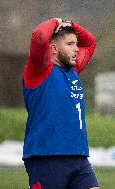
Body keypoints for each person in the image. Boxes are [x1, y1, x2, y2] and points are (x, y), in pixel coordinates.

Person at [22, 18, 99, 189]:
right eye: (70, 44)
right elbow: (40, 36)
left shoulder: (73, 70)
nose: (76, 49)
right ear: (54, 49)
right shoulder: (38, 70)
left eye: (76, 44)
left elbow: (91, 42)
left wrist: (70, 24)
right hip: (47, 157)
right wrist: (57, 21)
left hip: (79, 157)